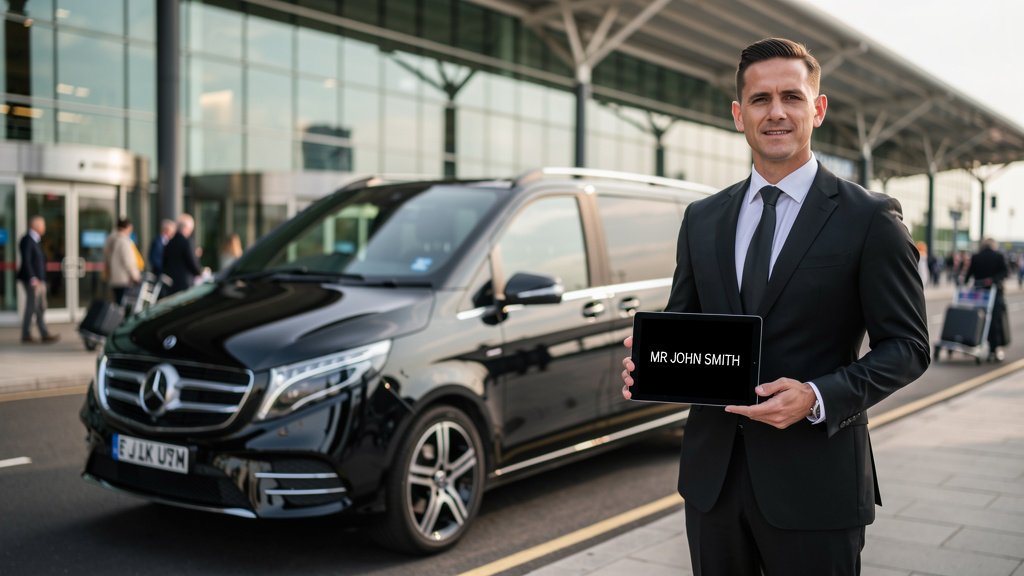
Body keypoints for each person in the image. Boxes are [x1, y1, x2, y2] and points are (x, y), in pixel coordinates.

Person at [620, 38, 929, 575]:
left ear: (819, 108)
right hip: (713, 486)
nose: (777, 112)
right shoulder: (703, 219)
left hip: (816, 485)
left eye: (792, 96)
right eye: (760, 100)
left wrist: (816, 396)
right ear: (739, 116)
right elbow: (687, 321)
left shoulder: (870, 219)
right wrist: (654, 366)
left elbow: (908, 347)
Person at [963, 238, 1010, 361]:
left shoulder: (976, 256)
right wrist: (993, 279)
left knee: (978, 318)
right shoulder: (998, 256)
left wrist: (965, 283)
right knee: (993, 321)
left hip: (979, 293)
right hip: (994, 293)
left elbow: (969, 274)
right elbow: (1005, 272)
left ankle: (974, 342)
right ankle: (993, 349)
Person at [17, 215, 59, 344]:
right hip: (33, 280)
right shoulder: (27, 240)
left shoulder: (35, 240)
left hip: (39, 279)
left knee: (39, 307)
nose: (44, 227)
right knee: (33, 307)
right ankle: (31, 334)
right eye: (43, 225)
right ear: (36, 226)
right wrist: (33, 278)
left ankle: (39, 333)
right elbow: (27, 261)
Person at [103, 217, 142, 305]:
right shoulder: (124, 241)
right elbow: (128, 262)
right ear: (127, 227)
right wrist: (135, 276)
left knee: (117, 303)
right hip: (124, 279)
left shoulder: (110, 240)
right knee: (123, 306)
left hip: (113, 278)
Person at [162, 213, 203, 295]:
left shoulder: (170, 242)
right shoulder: (187, 242)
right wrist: (200, 272)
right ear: (186, 228)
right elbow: (192, 262)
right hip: (185, 282)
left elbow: (164, 262)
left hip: (171, 283)